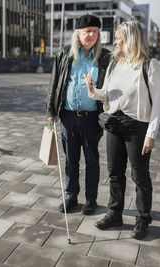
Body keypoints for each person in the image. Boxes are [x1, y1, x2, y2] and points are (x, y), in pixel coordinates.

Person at [84, 20, 160, 239]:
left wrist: (152, 134)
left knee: (140, 175)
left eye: (119, 37)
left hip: (137, 127)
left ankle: (143, 219)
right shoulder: (114, 63)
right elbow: (109, 95)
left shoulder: (149, 65)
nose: (115, 41)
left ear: (131, 39)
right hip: (114, 124)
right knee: (114, 174)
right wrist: (93, 90)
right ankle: (115, 214)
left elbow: (158, 103)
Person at [46, 14, 110, 215]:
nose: (91, 35)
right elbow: (54, 83)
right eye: (87, 31)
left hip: (92, 118)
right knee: (71, 159)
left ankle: (91, 199)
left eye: (94, 31)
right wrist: (51, 109)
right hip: (68, 117)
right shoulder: (65, 54)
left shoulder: (105, 57)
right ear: (78, 34)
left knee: (92, 160)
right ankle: (71, 196)